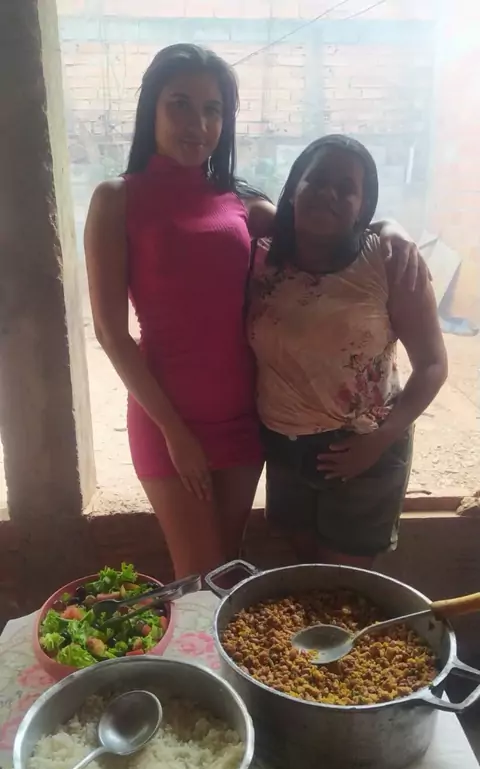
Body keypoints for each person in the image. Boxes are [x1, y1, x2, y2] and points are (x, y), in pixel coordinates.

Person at [85, 44, 431, 579]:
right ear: (151, 106)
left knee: (227, 572)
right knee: (198, 578)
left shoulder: (242, 206)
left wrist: (392, 229)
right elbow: (112, 334)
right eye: (180, 104)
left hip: (245, 419)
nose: (197, 123)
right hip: (167, 419)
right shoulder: (116, 199)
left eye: (213, 109)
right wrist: (174, 431)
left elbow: (326, 226)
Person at [248, 135, 448, 568]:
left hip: (362, 447)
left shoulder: (390, 262)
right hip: (282, 445)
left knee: (341, 584)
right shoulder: (262, 256)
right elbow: (226, 197)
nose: (328, 194)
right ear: (294, 189)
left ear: (364, 206)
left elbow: (433, 365)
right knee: (301, 570)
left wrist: (379, 441)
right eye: (317, 180)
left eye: (346, 188)